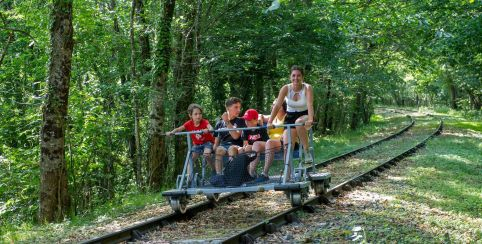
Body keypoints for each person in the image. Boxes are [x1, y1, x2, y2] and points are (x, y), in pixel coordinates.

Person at [267, 65, 314, 166]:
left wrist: (310, 119)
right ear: (290, 77)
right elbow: (277, 105)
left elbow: (310, 104)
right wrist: (270, 121)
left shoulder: (307, 88)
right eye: (293, 75)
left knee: (299, 123)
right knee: (287, 147)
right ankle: (287, 175)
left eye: (298, 75)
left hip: (304, 115)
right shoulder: (286, 88)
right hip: (290, 117)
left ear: (302, 77)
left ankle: (306, 151)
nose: (296, 78)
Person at [166, 103, 215, 174]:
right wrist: (171, 132)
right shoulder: (189, 123)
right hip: (197, 145)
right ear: (190, 115)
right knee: (191, 159)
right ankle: (189, 178)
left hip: (207, 143)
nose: (198, 116)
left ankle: (214, 170)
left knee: (206, 155)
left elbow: (210, 127)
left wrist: (208, 129)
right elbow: (179, 129)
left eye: (200, 113)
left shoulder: (204, 122)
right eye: (195, 114)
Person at [250, 99, 288, 182]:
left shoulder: (287, 116)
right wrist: (260, 119)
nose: (274, 107)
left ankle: (265, 173)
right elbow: (260, 116)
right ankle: (251, 173)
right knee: (256, 144)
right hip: (270, 142)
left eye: (277, 105)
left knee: (269, 143)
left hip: (282, 141)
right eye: (273, 105)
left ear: (283, 106)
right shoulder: (272, 117)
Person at [212, 97, 246, 176]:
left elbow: (236, 136)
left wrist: (227, 122)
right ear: (228, 108)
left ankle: (232, 176)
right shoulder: (219, 124)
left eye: (239, 107)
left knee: (232, 149)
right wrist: (212, 151)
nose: (238, 110)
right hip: (223, 146)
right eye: (236, 107)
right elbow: (216, 143)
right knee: (219, 149)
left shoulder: (241, 121)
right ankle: (219, 176)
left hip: (236, 145)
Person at [240, 109, 269, 177]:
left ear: (256, 120)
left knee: (254, 148)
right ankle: (246, 173)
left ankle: (251, 173)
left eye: (249, 120)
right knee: (244, 150)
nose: (247, 122)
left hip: (262, 149)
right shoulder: (245, 130)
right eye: (245, 120)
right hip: (252, 150)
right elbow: (245, 144)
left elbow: (266, 142)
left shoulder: (261, 128)